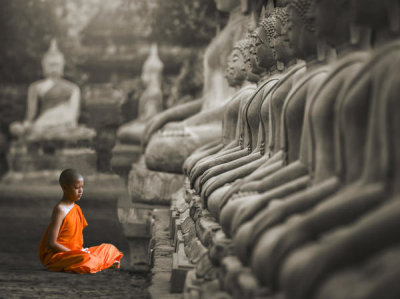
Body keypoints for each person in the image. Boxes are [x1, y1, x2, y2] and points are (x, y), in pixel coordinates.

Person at [38, 169, 123, 273]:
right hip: (60, 255)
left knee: (110, 249)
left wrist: (81, 251)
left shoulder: (76, 208)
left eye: (82, 187)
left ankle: (98, 263)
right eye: (76, 188)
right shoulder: (60, 209)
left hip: (78, 252)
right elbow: (51, 243)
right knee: (86, 258)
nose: (80, 191)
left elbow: (75, 240)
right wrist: (74, 252)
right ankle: (101, 263)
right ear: (65, 187)